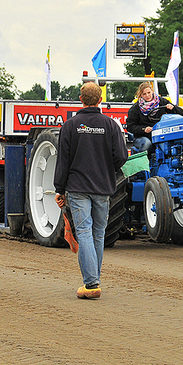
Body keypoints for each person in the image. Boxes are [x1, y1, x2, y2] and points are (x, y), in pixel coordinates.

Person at [54, 82, 128, 299]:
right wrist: (107, 170)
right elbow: (122, 156)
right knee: (98, 233)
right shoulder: (111, 125)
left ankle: (91, 283)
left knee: (84, 231)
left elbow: (63, 161)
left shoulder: (70, 126)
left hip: (78, 188)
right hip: (102, 187)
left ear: (80, 99)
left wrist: (60, 189)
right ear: (100, 100)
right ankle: (93, 280)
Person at [126, 81, 183, 153]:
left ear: (152, 91)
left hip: (160, 133)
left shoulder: (161, 102)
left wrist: (173, 108)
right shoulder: (135, 109)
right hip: (143, 136)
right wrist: (143, 129)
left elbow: (181, 113)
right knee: (147, 143)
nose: (147, 95)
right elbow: (130, 126)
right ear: (141, 95)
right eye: (144, 94)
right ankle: (143, 162)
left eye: (149, 92)